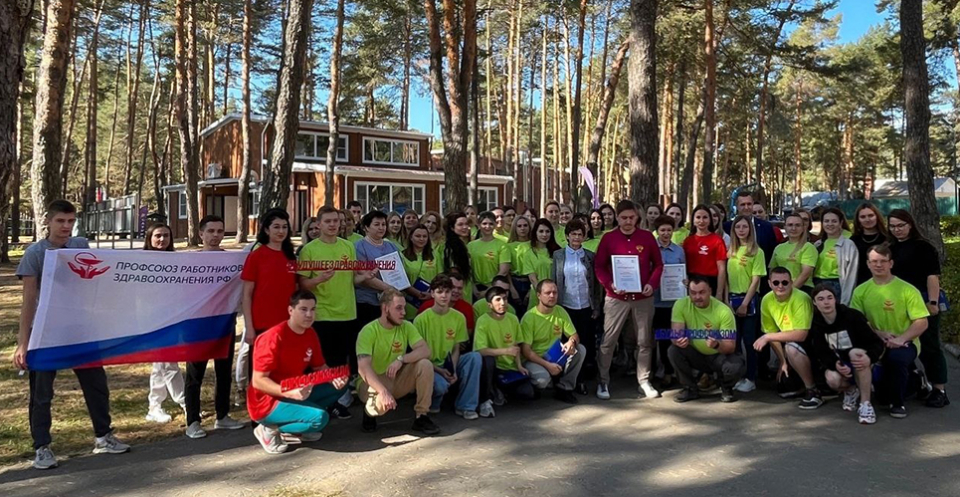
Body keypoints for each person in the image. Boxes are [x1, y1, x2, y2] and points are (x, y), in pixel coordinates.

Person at [14, 200, 130, 469]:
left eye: (70, 221)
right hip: (45, 332)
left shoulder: (80, 246)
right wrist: (23, 342)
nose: (66, 226)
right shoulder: (35, 253)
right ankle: (42, 447)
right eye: (60, 221)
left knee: (96, 385)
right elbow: (28, 301)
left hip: (81, 329)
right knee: (42, 392)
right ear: (48, 221)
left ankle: (103, 436)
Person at [248, 291, 350, 454]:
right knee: (320, 418)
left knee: (341, 385)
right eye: (303, 309)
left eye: (312, 309)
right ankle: (269, 429)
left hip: (296, 390)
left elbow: (319, 367)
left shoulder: (310, 333)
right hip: (266, 402)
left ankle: (300, 424)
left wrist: (334, 377)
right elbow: (258, 381)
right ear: (290, 310)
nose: (309, 314)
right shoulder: (273, 337)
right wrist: (288, 392)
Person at [595, 199, 665, 400]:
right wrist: (609, 284)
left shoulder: (647, 237)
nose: (627, 221)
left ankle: (644, 380)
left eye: (631, 217)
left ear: (637, 218)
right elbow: (599, 266)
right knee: (609, 340)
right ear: (617, 218)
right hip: (616, 297)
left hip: (643, 297)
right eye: (623, 217)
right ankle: (603, 381)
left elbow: (658, 264)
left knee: (644, 340)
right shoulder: (608, 238)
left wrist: (652, 283)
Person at [851, 244, 929, 418]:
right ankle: (914, 379)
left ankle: (898, 403)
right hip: (875, 341)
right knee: (881, 396)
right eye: (874, 261)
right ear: (868, 264)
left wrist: (901, 339)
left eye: (883, 261)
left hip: (904, 342)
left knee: (896, 359)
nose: (878, 265)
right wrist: (877, 333)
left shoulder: (907, 290)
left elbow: (922, 322)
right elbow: (858, 322)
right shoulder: (860, 291)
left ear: (891, 263)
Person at [184, 215, 244, 439]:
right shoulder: (189, 261)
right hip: (198, 326)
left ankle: (222, 416)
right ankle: (192, 421)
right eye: (211, 231)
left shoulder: (232, 260)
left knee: (223, 372)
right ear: (201, 234)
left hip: (224, 323)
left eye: (220, 231)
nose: (216, 235)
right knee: (195, 375)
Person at [298, 205, 359, 419]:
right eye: (328, 221)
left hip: (348, 312)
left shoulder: (348, 246)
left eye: (336, 221)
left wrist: (367, 276)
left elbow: (353, 278)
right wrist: (319, 279)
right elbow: (302, 283)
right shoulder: (309, 250)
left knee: (342, 363)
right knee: (322, 363)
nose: (333, 225)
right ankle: (323, 403)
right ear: (319, 224)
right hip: (323, 314)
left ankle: (335, 401)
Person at [357, 289, 441, 435]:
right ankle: (369, 412)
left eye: (404, 308)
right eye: (398, 308)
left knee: (425, 364)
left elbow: (425, 350)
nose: (404, 312)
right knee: (378, 407)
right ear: (385, 308)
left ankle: (421, 416)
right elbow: (363, 368)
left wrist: (401, 359)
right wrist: (382, 391)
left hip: (396, 378)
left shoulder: (406, 326)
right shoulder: (368, 331)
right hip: (373, 383)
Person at [887, 209, 948, 408]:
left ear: (910, 225)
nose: (897, 230)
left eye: (901, 225)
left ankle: (939, 389)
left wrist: (933, 302)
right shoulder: (890, 249)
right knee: (903, 344)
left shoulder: (924, 247)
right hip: (898, 304)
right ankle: (917, 381)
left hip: (923, 301)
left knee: (930, 347)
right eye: (892, 226)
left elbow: (932, 276)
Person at [240, 209, 298, 406]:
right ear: (266, 229)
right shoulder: (256, 256)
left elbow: (295, 290)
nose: (281, 231)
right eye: (276, 227)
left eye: (284, 227)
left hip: (287, 324)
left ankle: (282, 410)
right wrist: (249, 327)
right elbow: (246, 295)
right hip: (262, 324)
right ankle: (258, 413)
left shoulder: (291, 257)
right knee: (261, 372)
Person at [808, 284, 883, 424]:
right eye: (821, 299)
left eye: (829, 298)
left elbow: (876, 343)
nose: (826, 302)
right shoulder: (817, 323)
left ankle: (865, 404)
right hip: (843, 365)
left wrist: (869, 357)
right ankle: (851, 390)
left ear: (835, 299)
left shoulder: (852, 316)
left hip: (864, 363)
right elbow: (821, 352)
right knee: (832, 378)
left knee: (856, 354)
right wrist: (835, 364)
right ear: (815, 302)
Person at [413, 274, 483, 419]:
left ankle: (466, 406)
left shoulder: (459, 317)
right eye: (440, 292)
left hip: (449, 363)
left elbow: (456, 347)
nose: (444, 296)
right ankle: (432, 404)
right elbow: (419, 355)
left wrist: (453, 370)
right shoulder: (421, 320)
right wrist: (441, 371)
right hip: (430, 366)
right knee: (440, 386)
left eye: (447, 292)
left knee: (474, 357)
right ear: (432, 293)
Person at [668, 277, 745, 403]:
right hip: (696, 355)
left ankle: (726, 387)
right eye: (693, 293)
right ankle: (690, 388)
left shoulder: (723, 310)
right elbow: (675, 335)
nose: (697, 297)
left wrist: (717, 344)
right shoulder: (680, 304)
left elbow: (730, 346)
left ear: (710, 291)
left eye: (702, 292)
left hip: (718, 355)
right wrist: (678, 340)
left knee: (736, 365)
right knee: (673, 350)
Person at [754, 267, 821, 409]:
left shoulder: (801, 298)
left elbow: (801, 334)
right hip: (789, 345)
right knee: (784, 387)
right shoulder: (766, 300)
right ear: (769, 283)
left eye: (785, 282)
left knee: (792, 348)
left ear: (791, 282)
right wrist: (782, 362)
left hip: (811, 344)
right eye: (776, 282)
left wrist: (768, 337)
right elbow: (771, 333)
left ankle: (813, 390)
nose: (780, 286)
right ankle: (800, 382)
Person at [142, 223, 187, 424]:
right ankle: (185, 402)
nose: (162, 239)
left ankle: (154, 405)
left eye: (166, 236)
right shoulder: (140, 261)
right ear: (150, 238)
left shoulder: (176, 260)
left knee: (160, 363)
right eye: (158, 236)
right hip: (151, 319)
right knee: (168, 362)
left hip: (173, 317)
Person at [551, 220, 600, 393]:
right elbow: (554, 280)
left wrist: (596, 307)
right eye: (573, 234)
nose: (577, 238)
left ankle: (580, 380)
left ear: (584, 237)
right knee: (565, 343)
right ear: (567, 236)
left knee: (584, 344)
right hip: (566, 306)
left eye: (580, 234)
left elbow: (595, 285)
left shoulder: (590, 256)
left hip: (585, 306)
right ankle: (561, 378)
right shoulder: (558, 255)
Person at [519, 280, 586, 404]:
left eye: (555, 292)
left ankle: (564, 388)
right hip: (536, 359)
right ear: (538, 295)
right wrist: (547, 365)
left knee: (580, 349)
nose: (552, 296)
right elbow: (526, 351)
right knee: (542, 380)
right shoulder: (529, 317)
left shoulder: (560, 311)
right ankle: (538, 385)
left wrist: (571, 342)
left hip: (555, 354)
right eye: (548, 293)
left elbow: (574, 335)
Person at [726, 215, 766, 393]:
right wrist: (726, 300)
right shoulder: (730, 251)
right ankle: (738, 375)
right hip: (731, 299)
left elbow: (756, 280)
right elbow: (726, 277)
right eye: (738, 227)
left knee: (749, 341)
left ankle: (751, 378)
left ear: (750, 229)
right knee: (734, 341)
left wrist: (745, 303)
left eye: (745, 227)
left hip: (748, 299)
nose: (741, 230)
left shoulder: (756, 252)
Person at [475, 286, 534, 405]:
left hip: (510, 368)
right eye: (498, 299)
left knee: (528, 393)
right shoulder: (482, 321)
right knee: (488, 361)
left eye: (505, 298)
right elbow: (481, 350)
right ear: (489, 305)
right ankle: (489, 393)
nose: (502, 303)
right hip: (494, 368)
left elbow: (516, 346)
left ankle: (502, 390)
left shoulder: (513, 319)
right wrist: (505, 351)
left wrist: (519, 366)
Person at [652, 215, 685, 389]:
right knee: (657, 338)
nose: (666, 233)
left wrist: (684, 281)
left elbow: (683, 271)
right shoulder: (651, 249)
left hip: (673, 302)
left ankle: (671, 371)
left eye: (669, 230)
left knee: (671, 337)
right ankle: (658, 370)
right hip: (655, 300)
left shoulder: (679, 251)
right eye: (662, 230)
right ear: (657, 231)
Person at [354, 210, 403, 327]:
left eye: (383, 224)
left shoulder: (391, 246)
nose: (381, 228)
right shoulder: (358, 246)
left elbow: (399, 271)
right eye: (376, 224)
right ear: (366, 227)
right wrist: (390, 289)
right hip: (367, 302)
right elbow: (364, 276)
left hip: (390, 301)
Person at [813, 208, 859, 304]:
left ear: (840, 223)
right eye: (826, 221)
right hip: (817, 284)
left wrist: (846, 300)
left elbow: (851, 274)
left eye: (834, 221)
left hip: (836, 286)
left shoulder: (848, 244)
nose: (830, 224)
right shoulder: (818, 244)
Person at [725, 191, 783, 266]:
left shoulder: (766, 226)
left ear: (753, 204)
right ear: (737, 206)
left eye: (749, 204)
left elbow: (772, 253)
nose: (746, 207)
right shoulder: (727, 227)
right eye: (743, 204)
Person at [683, 204, 728, 299]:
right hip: (692, 283)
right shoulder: (688, 241)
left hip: (711, 283)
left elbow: (722, 269)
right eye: (698, 217)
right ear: (693, 220)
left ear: (710, 220)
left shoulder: (717, 240)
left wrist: (719, 293)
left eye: (705, 217)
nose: (701, 221)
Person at [468, 211, 512, 300]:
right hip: (475, 288)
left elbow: (503, 271)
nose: (487, 226)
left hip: (494, 287)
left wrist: (490, 289)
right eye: (484, 224)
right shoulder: (470, 246)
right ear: (479, 225)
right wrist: (474, 289)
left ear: (495, 225)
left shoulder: (502, 245)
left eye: (491, 224)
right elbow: (468, 270)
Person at [770, 212, 817, 291]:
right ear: (785, 227)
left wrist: (789, 291)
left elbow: (805, 274)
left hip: (802, 289)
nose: (793, 228)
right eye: (790, 225)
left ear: (803, 228)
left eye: (797, 225)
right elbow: (772, 271)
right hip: (781, 288)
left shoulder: (808, 247)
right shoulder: (779, 248)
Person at [400, 224, 438, 318]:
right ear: (411, 237)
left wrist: (432, 294)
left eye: (424, 236)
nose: (421, 239)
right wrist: (417, 293)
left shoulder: (434, 254)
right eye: (418, 236)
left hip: (431, 299)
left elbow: (440, 276)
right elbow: (401, 280)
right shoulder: (402, 255)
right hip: (410, 301)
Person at [521, 218, 561, 308]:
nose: (544, 234)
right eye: (541, 231)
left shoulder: (558, 251)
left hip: (555, 293)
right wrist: (543, 295)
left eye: (547, 231)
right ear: (535, 233)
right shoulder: (529, 254)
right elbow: (533, 279)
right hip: (538, 294)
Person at [849, 203, 890, 286]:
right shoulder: (853, 241)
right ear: (858, 220)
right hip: (861, 284)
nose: (867, 219)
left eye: (871, 215)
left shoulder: (888, 238)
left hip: (886, 284)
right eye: (863, 217)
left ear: (877, 216)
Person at [440, 212, 475, 302]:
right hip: (457, 291)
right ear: (452, 228)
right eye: (460, 224)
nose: (465, 227)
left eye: (466, 224)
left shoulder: (464, 244)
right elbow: (453, 272)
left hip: (467, 288)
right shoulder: (450, 247)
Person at [507, 215, 533, 314]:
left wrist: (531, 290)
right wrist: (512, 289)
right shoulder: (508, 247)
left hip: (530, 282)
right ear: (515, 228)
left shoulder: (534, 245)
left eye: (525, 225)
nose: (522, 228)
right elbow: (507, 271)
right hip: (514, 282)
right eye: (519, 226)